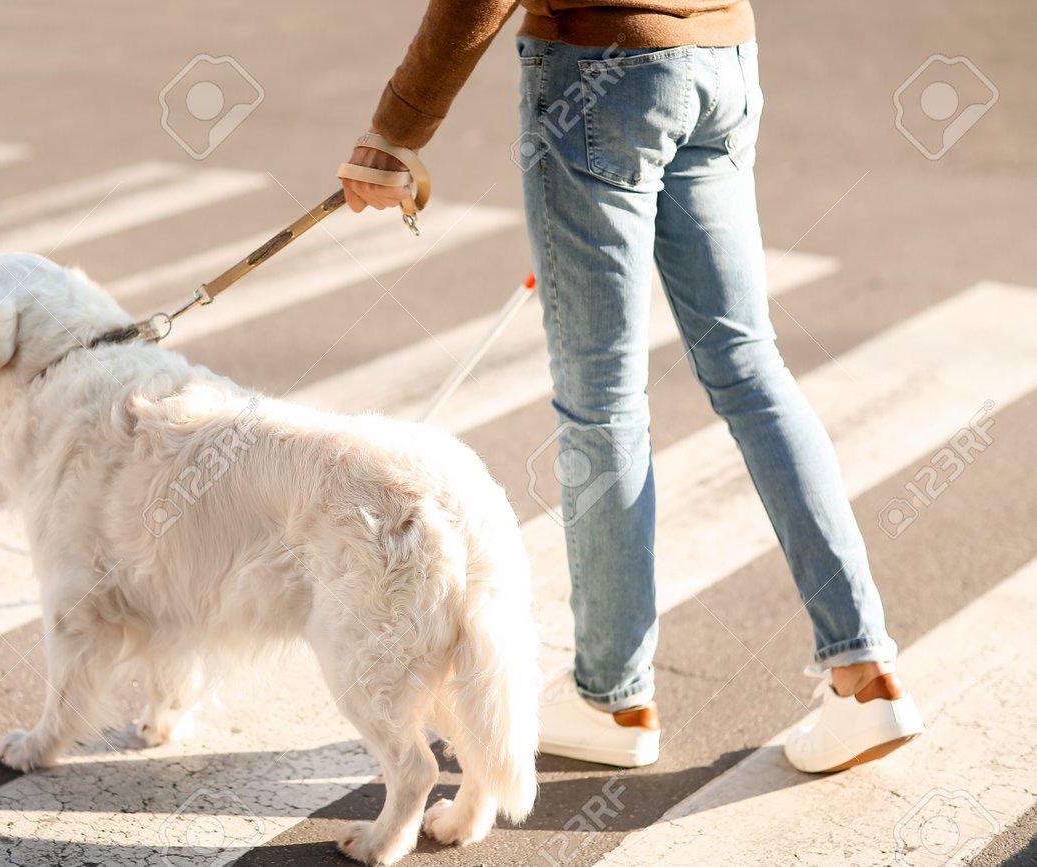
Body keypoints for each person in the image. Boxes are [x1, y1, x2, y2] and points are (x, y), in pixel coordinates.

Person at [337, 0, 925, 773]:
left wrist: (396, 130)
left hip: (601, 72)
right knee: (751, 370)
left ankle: (614, 700)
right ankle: (865, 674)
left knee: (602, 400)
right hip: (720, 59)